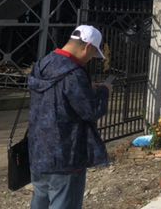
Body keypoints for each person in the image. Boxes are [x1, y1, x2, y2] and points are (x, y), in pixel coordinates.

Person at [28, 25, 110, 208]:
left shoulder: (43, 64)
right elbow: (91, 111)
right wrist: (104, 91)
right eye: (92, 54)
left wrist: (87, 88)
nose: (90, 59)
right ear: (87, 47)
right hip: (66, 154)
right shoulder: (74, 73)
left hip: (39, 151)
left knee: (40, 200)